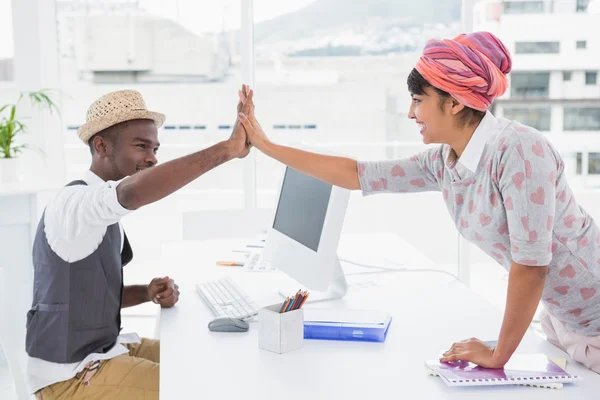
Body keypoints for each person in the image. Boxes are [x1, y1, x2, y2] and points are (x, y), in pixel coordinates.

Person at [236, 32, 600, 373]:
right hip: (565, 323)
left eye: (418, 100)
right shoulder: (445, 161)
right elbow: (356, 174)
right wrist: (265, 146)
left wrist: (497, 354)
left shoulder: (519, 150)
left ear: (455, 102)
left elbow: (532, 267)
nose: (411, 114)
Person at [26, 89, 252, 399]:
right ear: (101, 146)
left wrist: (146, 293)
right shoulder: (75, 203)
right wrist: (227, 150)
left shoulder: (97, 209)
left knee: (204, 358)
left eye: (155, 148)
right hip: (70, 378)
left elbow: (89, 298)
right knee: (201, 385)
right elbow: (132, 193)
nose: (153, 158)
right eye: (141, 146)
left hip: (102, 351)